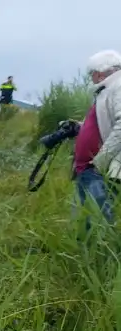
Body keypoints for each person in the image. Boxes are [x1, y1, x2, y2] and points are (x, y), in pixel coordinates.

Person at [73, 50, 121, 229]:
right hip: (89, 168)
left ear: (100, 73)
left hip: (99, 169)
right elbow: (101, 124)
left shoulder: (118, 86)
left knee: (99, 222)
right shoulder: (106, 91)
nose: (91, 78)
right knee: (85, 219)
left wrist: (100, 160)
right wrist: (79, 127)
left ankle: (100, 256)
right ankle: (84, 254)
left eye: (91, 73)